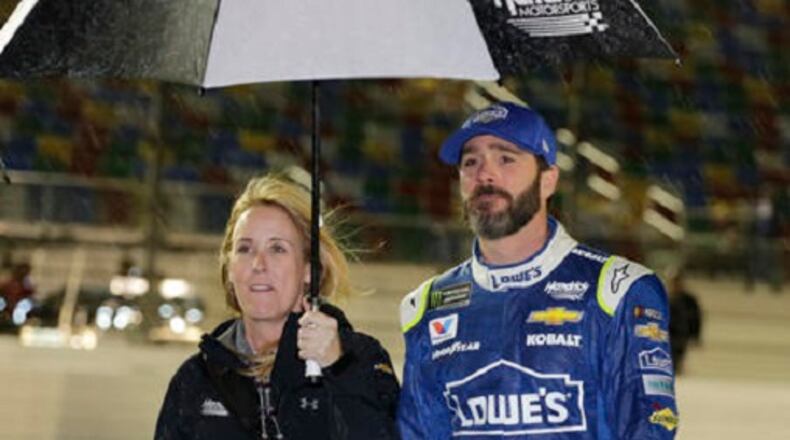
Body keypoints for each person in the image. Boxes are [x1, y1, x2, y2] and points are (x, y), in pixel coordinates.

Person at [398, 102, 679, 438]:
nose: (484, 175)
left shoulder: (617, 290)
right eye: (470, 161)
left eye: (506, 159)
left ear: (548, 181)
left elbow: (650, 428)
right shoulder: (427, 305)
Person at [155, 174, 399, 439]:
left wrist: (338, 369)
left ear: (309, 270)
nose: (258, 264)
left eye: (277, 249)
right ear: (230, 268)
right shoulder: (195, 379)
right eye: (245, 249)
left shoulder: (362, 359)